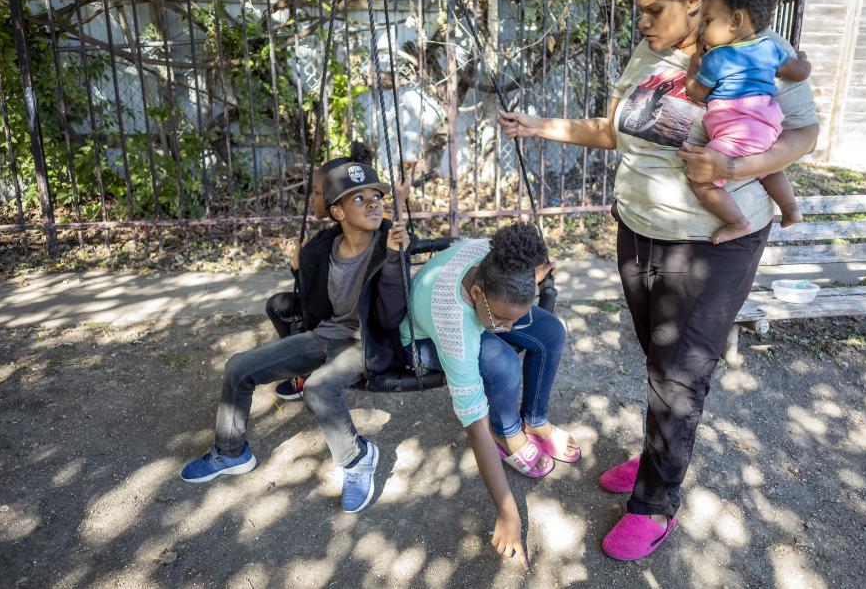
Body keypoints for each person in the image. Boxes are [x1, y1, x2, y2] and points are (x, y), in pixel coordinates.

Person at [498, 0, 819, 561]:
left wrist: (738, 168)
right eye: (639, 9)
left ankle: (655, 502)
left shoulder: (755, 50)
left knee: (679, 376)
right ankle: (656, 457)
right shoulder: (647, 56)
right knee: (657, 360)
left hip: (713, 241)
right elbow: (613, 131)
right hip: (637, 227)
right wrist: (540, 126)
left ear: (697, 1)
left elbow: (804, 134)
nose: (642, 22)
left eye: (655, 10)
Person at [180, 161, 410, 514]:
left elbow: (391, 315)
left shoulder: (391, 243)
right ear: (338, 211)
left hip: (367, 343)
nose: (373, 203)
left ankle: (356, 458)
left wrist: (395, 260)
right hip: (326, 335)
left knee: (317, 387)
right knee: (239, 367)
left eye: (376, 196)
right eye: (359, 198)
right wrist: (298, 268)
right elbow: (311, 302)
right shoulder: (323, 249)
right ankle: (231, 452)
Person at [403, 222, 578, 570]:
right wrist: (508, 511)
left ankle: (536, 421)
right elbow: (474, 427)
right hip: (425, 337)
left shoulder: (497, 259)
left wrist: (527, 288)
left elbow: (517, 291)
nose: (510, 328)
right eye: (502, 318)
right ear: (479, 293)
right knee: (502, 363)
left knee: (552, 332)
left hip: (476, 312)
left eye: (514, 317)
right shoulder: (454, 325)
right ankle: (508, 432)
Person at [685, 0, 810, 243]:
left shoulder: (718, 57)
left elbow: (696, 93)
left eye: (707, 20)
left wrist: (694, 69)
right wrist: (802, 58)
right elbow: (799, 72)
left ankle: (737, 222)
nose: (701, 29)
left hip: (736, 132)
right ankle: (790, 209)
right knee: (768, 169)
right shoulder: (771, 48)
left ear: (736, 20)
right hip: (767, 129)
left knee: (700, 180)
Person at [267, 141, 378, 400]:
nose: (311, 198)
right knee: (278, 304)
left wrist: (299, 266)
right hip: (334, 315)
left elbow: (315, 299)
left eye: (316, 193)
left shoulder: (332, 243)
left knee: (283, 309)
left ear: (333, 202)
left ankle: (307, 367)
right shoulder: (327, 239)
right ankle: (304, 363)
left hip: (345, 326)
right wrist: (300, 265)